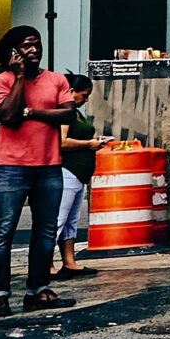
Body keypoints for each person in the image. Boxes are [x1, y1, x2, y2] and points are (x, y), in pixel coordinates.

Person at [0, 26, 79, 316]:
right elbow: (9, 117)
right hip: (11, 168)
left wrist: (33, 112)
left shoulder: (56, 80)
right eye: (27, 45)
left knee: (45, 232)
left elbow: (68, 113)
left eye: (37, 44)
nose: (34, 50)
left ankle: (38, 290)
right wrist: (21, 78)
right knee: (4, 232)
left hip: (49, 166)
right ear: (13, 52)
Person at [55, 74, 99, 277]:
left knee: (71, 220)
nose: (86, 99)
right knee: (58, 219)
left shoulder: (75, 113)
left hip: (78, 175)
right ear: (71, 92)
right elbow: (61, 142)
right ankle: (46, 264)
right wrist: (88, 144)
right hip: (66, 171)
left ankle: (69, 261)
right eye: (84, 95)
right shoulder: (65, 112)